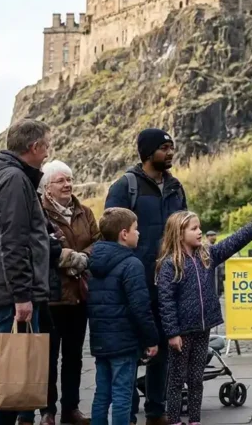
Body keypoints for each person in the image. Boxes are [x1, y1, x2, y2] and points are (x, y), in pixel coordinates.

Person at [104, 128, 187, 425]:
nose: (170, 153)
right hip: (134, 281)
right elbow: (112, 233)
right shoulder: (125, 186)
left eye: (171, 147)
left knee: (163, 348)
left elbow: (184, 227)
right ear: (148, 152)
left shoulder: (176, 187)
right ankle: (126, 411)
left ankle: (156, 410)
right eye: (164, 148)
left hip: (168, 280)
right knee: (131, 349)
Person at [157, 211, 252, 425]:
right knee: (177, 379)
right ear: (179, 234)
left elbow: (230, 244)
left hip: (203, 327)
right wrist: (172, 333)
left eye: (199, 227)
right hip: (181, 332)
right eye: (194, 228)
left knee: (196, 378)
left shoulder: (206, 255)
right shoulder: (170, 264)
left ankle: (195, 420)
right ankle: (173, 420)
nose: (200, 232)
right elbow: (166, 301)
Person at [0, 118, 52, 425]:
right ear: (34, 147)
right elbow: (14, 240)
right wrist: (23, 295)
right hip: (10, 292)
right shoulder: (14, 179)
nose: (47, 152)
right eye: (46, 146)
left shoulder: (1, 176)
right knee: (6, 376)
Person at [18, 160, 98, 425]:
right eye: (61, 180)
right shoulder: (39, 212)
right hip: (51, 296)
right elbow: (38, 249)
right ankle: (47, 410)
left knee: (74, 357)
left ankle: (70, 409)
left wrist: (81, 259)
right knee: (48, 358)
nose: (68, 184)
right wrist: (67, 260)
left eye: (70, 179)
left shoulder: (85, 212)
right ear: (47, 188)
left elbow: (97, 243)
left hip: (78, 295)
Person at [88, 208, 159, 425]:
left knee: (102, 393)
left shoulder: (95, 262)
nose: (139, 234)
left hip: (101, 340)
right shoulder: (131, 264)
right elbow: (140, 307)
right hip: (125, 341)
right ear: (124, 234)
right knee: (122, 394)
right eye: (136, 229)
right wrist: (151, 339)